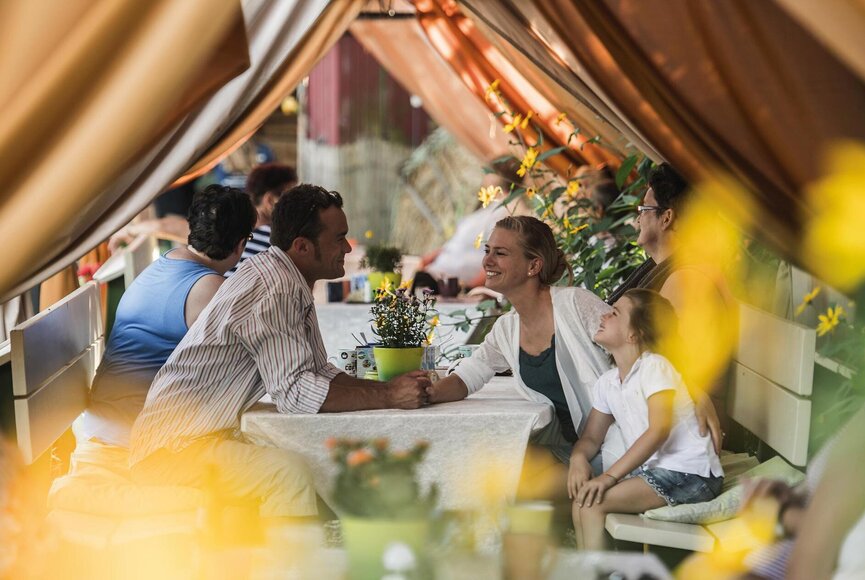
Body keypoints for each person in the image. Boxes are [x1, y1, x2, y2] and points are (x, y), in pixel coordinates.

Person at [128, 184, 432, 520]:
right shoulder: (274, 288)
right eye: (339, 238)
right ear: (302, 246)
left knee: (326, 457)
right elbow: (297, 395)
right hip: (171, 451)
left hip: (198, 436)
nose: (347, 247)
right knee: (288, 473)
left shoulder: (287, 277)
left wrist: (394, 388)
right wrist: (389, 395)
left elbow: (319, 374)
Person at [426, 216, 620, 498]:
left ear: (533, 265)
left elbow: (639, 348)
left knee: (513, 495)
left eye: (500, 253)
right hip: (568, 450)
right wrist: (424, 394)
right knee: (477, 474)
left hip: (617, 448)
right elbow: (468, 376)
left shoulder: (575, 304)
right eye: (487, 251)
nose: (487, 262)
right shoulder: (507, 328)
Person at [78, 185, 257, 448]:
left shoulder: (165, 261)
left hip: (98, 421)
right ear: (241, 244)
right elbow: (257, 356)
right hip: (132, 435)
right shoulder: (211, 289)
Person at [568, 288, 723, 549]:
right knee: (583, 500)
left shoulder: (655, 367)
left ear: (634, 334)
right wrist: (578, 458)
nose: (604, 315)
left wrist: (609, 477)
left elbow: (658, 430)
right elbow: (592, 437)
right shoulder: (608, 382)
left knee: (592, 502)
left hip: (691, 474)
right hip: (658, 471)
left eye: (615, 312)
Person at [607, 163, 728, 453]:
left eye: (643, 210)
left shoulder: (687, 279)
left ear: (666, 218)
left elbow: (677, 365)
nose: (638, 219)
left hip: (673, 432)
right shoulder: (664, 268)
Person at [225, 163, 298, 276]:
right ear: (270, 200)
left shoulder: (229, 234)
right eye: (291, 199)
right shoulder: (278, 240)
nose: (296, 207)